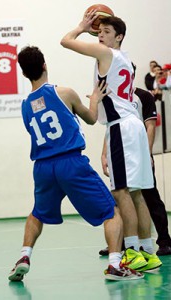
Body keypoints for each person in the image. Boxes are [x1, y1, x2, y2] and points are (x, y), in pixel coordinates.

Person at [8, 46, 143, 282]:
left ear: (24, 74)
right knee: (112, 211)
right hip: (70, 162)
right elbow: (91, 119)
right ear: (44, 65)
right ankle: (114, 264)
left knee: (37, 213)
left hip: (42, 167)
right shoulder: (64, 93)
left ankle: (23, 256)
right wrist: (96, 98)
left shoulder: (25, 105)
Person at [61, 11, 162, 272]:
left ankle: (130, 252)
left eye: (106, 32)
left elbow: (65, 41)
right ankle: (148, 251)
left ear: (119, 37)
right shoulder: (124, 60)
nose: (100, 36)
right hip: (134, 126)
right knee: (137, 192)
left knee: (120, 192)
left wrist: (82, 27)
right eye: (99, 31)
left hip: (122, 128)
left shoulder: (106, 54)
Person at [99, 87, 171, 256]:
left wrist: (147, 153)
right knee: (121, 198)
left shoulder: (143, 96)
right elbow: (110, 127)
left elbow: (150, 126)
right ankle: (121, 244)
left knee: (149, 196)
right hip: (120, 150)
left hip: (138, 151)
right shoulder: (113, 96)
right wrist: (104, 153)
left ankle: (164, 241)